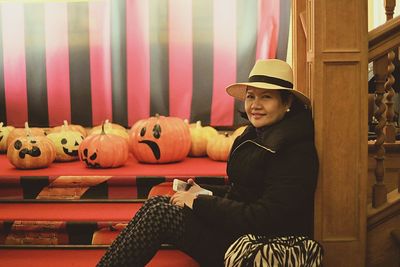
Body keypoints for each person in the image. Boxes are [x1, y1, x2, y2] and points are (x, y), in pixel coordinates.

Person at [97, 59, 319, 267]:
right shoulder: (256, 134)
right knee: (157, 204)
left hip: (257, 246)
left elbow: (264, 217)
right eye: (251, 97)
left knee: (159, 216)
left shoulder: (294, 150)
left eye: (266, 97)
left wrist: (198, 202)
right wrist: (203, 191)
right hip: (239, 230)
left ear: (286, 102)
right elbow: (243, 192)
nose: (255, 105)